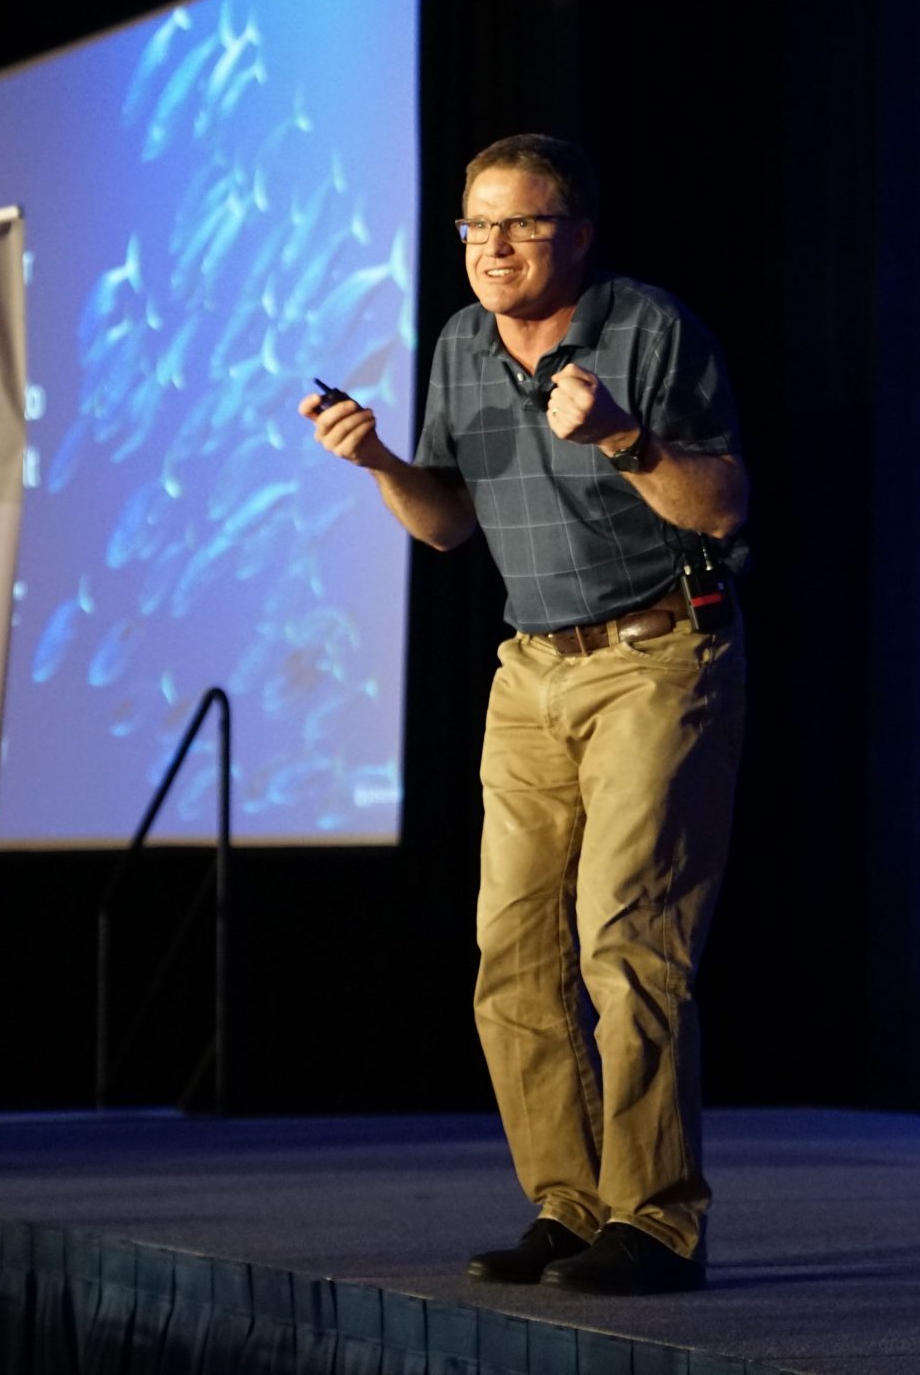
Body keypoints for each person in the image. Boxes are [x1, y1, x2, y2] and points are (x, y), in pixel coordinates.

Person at [299, 133, 748, 1296]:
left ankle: (655, 1222)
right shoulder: (459, 343)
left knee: (625, 939)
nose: (495, 248)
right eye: (476, 226)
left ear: (578, 235)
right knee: (511, 949)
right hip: (529, 671)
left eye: (524, 224)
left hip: (657, 654)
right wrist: (384, 463)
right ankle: (570, 1204)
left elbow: (720, 507)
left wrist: (621, 438)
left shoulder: (648, 331)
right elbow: (448, 525)